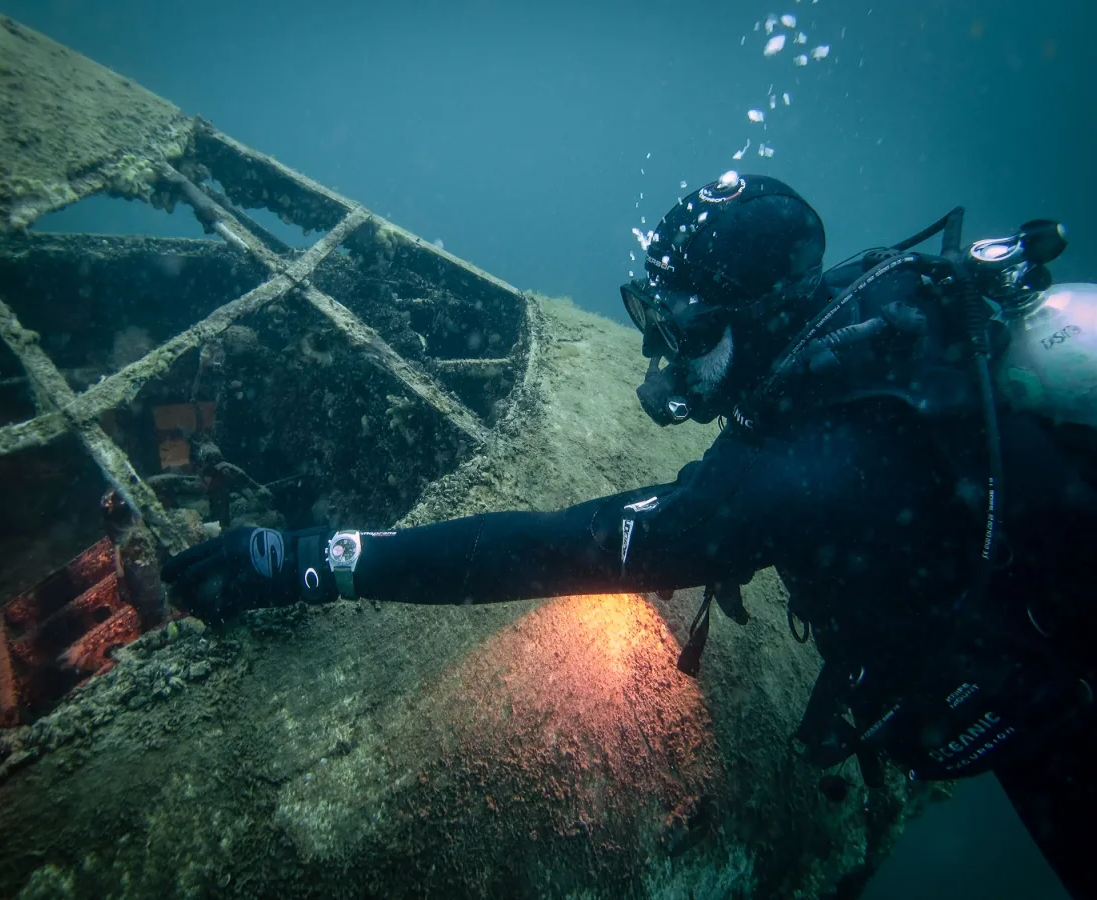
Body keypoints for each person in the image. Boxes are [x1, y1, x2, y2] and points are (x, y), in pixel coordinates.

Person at [163, 172, 1096, 899]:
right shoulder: (867, 316)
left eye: (678, 326)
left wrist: (323, 560)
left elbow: (555, 545)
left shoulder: (800, 468)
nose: (658, 354)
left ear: (753, 314)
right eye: (648, 315)